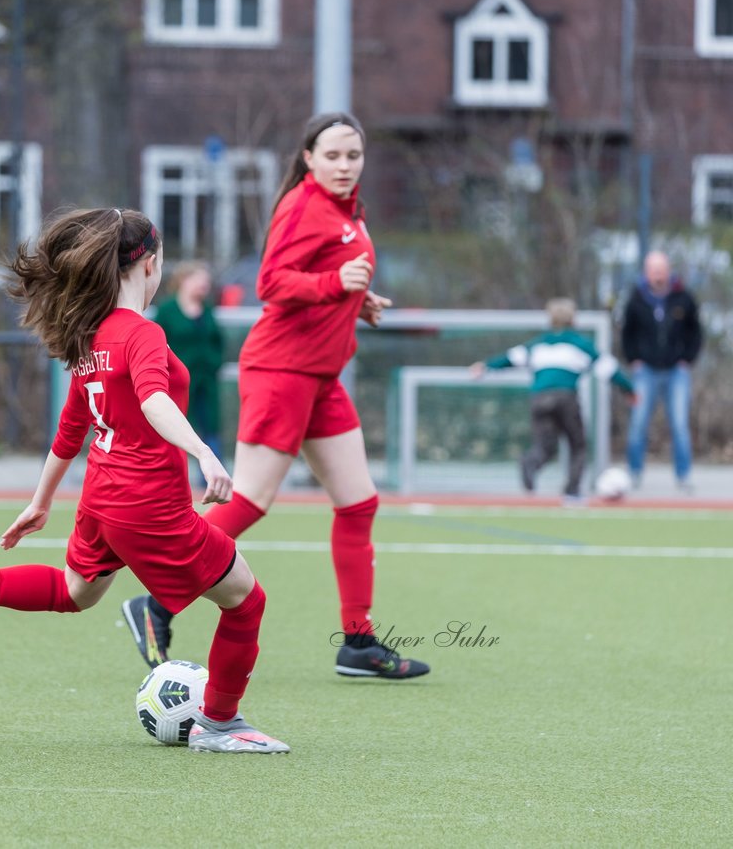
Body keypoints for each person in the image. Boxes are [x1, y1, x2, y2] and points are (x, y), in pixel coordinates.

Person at [0, 208, 288, 754]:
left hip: (101, 500)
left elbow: (69, 431)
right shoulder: (142, 334)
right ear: (150, 266)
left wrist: (40, 504)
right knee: (246, 602)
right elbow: (155, 400)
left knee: (74, 592)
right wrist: (204, 453)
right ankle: (221, 723)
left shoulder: (92, 338)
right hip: (149, 506)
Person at [122, 112, 429, 680]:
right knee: (248, 501)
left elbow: (320, 276)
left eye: (353, 156)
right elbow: (273, 283)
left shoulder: (347, 210)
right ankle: (157, 600)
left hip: (321, 376)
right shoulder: (303, 205)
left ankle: (358, 643)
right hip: (282, 371)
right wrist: (337, 286)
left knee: (359, 503)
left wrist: (355, 301)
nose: (344, 165)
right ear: (308, 159)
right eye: (332, 155)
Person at [469, 298, 635, 505]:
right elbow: (608, 369)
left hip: (539, 398)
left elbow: (510, 358)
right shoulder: (580, 344)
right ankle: (572, 492)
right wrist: (629, 390)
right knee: (578, 445)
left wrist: (485, 367)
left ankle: (530, 463)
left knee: (545, 446)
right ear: (573, 320)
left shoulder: (538, 344)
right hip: (566, 397)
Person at [621, 251, 702, 492]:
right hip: (645, 371)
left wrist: (687, 359)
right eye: (653, 269)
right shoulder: (636, 299)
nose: (657, 274)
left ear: (668, 270)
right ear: (646, 272)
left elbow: (696, 332)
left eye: (661, 269)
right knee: (637, 424)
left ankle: (683, 476)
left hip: (676, 372)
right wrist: (633, 359)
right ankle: (634, 473)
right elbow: (627, 333)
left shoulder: (684, 297)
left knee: (679, 424)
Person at [153, 261, 225, 485]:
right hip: (176, 383)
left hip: (206, 382)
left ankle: (213, 479)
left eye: (206, 281)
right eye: (199, 280)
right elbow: (158, 342)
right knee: (177, 426)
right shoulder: (167, 310)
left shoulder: (208, 309)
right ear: (184, 280)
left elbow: (217, 342)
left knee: (210, 427)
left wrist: (213, 362)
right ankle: (171, 478)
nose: (204, 285)